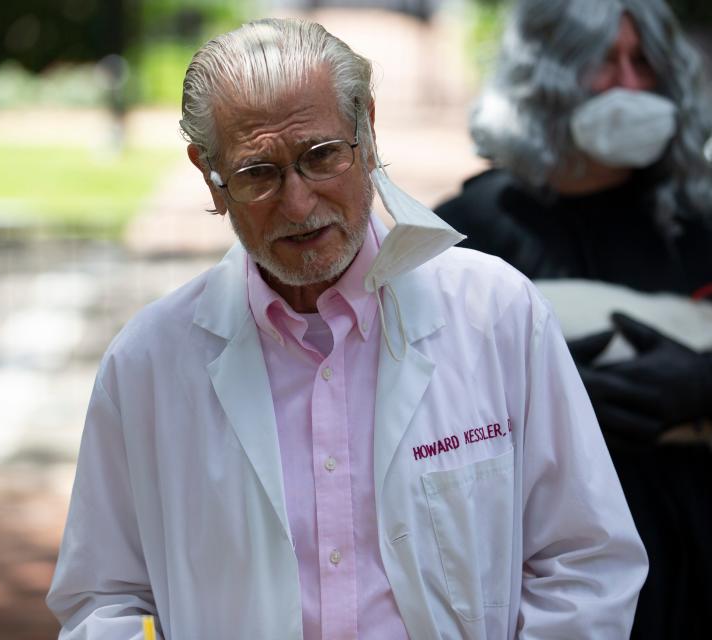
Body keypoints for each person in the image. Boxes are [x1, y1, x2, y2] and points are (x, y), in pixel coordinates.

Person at [47, 17, 648, 640]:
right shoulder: (147, 365)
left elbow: (586, 561)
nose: (299, 203)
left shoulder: (494, 313)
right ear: (210, 174)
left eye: (322, 156)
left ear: (367, 130)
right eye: (258, 172)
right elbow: (104, 599)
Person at [436, 0, 712, 637]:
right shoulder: (475, 228)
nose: (631, 83)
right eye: (603, 62)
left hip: (708, 553)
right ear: (547, 72)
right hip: (542, 570)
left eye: (644, 61)